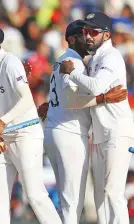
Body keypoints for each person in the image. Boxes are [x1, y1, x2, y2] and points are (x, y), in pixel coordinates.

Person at [0, 23, 62, 224]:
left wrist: (1, 122)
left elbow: (26, 99)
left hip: (24, 135)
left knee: (35, 194)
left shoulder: (10, 63)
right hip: (2, 138)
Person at [42, 20, 128, 224]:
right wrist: (103, 98)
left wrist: (49, 107)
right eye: (83, 34)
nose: (88, 38)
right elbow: (70, 100)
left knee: (73, 199)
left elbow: (61, 98)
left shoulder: (63, 60)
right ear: (72, 39)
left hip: (58, 130)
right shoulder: (74, 63)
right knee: (72, 202)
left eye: (91, 32)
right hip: (69, 133)